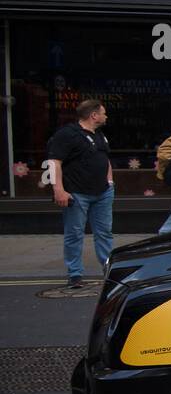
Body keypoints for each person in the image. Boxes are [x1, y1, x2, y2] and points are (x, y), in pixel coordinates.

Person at [47, 98, 114, 288]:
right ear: (94, 115)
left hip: (102, 191)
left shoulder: (99, 135)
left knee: (105, 233)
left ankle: (108, 270)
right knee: (74, 233)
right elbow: (54, 162)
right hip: (76, 193)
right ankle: (75, 274)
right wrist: (58, 189)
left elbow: (104, 158)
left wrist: (110, 182)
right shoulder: (67, 134)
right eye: (103, 112)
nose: (105, 116)